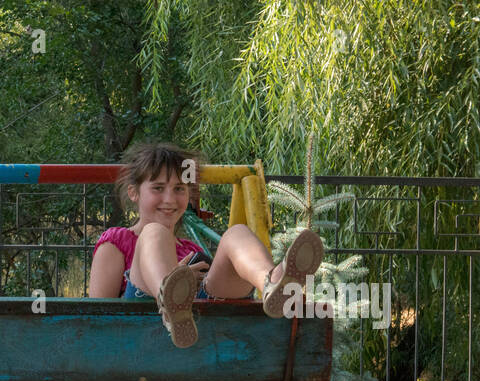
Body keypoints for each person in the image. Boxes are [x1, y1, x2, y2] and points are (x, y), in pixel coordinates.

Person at [88, 141, 322, 348]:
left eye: (179, 188)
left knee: (237, 233)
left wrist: (192, 284)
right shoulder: (117, 241)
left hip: (199, 335)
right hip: (137, 336)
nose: (169, 199)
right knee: (154, 233)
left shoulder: (191, 250)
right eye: (158, 188)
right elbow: (96, 320)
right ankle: (168, 292)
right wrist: (178, 277)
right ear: (134, 192)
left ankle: (271, 282)